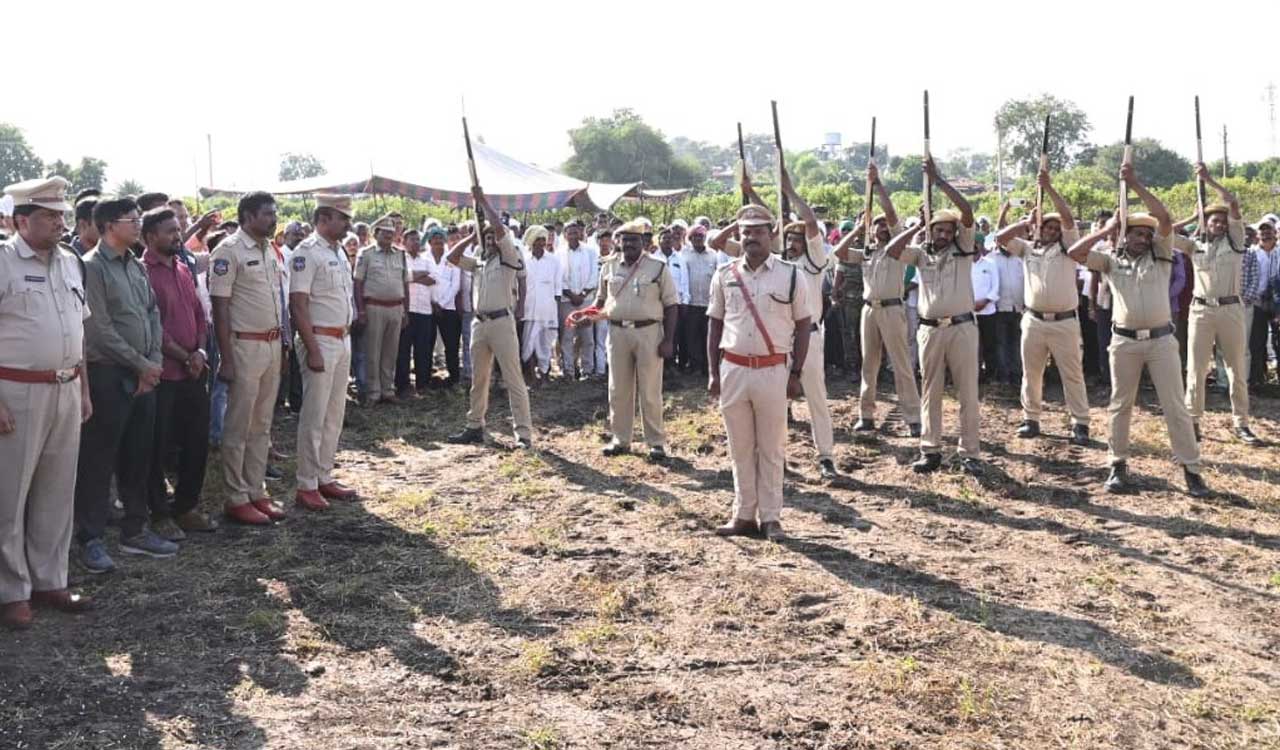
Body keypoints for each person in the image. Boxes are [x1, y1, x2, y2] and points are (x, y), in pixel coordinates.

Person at [1065, 162, 1208, 498]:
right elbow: (1074, 252)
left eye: (1147, 234)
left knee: (1175, 405)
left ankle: (1192, 469)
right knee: (1120, 404)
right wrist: (1108, 228)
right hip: (1123, 342)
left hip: (1161, 341)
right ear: (1124, 235)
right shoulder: (1110, 261)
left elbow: (1166, 219)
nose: (1145, 238)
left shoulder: (1161, 256)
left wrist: (1136, 184)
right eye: (1137, 233)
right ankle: (1117, 464)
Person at [0, 176, 93, 629]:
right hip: (16, 392)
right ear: (21, 220)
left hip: (66, 388)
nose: (60, 222)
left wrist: (85, 389)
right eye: (49, 215)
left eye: (62, 214)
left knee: (57, 490)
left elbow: (79, 331)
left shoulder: (71, 262)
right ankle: (11, 590)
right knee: (9, 495)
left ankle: (50, 578)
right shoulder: (2, 262)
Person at [74, 195, 176, 566]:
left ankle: (136, 530)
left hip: (144, 377)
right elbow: (98, 330)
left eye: (137, 218)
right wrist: (140, 364)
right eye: (130, 219)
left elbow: (152, 314)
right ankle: (91, 539)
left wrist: (154, 362)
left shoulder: (136, 265)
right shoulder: (91, 267)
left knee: (138, 456)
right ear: (107, 226)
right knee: (98, 461)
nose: (137, 224)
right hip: (109, 376)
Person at [708, 204, 810, 542]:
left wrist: (796, 373)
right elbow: (715, 324)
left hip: (772, 370)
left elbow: (804, 325)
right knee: (739, 447)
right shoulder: (724, 274)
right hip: (733, 368)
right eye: (746, 231)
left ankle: (771, 518)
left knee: (771, 447)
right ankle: (743, 515)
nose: (751, 237)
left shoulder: (791, 274)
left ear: (772, 234)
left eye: (758, 231)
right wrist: (713, 372)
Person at [883, 158, 982, 475]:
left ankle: (970, 453)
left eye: (947, 230)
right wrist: (916, 227)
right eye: (937, 229)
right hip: (929, 330)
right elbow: (891, 252)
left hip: (962, 327)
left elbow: (966, 211)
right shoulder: (920, 252)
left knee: (967, 391)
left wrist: (938, 181)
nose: (942, 234)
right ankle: (930, 449)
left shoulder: (964, 247)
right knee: (931, 391)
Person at [994, 168, 1090, 445]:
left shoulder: (1069, 248)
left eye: (1054, 228)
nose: (1051, 231)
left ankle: (1080, 422)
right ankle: (1031, 418)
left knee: (1072, 374)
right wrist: (1025, 222)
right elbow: (1000, 238)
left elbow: (1069, 219)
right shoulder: (1027, 248)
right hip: (1034, 321)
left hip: (1065, 321)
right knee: (1031, 373)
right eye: (1047, 227)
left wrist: (1048, 188)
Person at [209, 191, 288, 525]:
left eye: (274, 213)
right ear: (248, 215)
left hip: (271, 344)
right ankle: (235, 495)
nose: (273, 219)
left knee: (263, 422)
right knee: (239, 423)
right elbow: (220, 308)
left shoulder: (269, 249)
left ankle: (257, 489)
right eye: (268, 213)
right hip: (243, 346)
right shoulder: (228, 251)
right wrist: (226, 358)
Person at [140, 207, 216, 538]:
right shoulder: (142, 273)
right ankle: (159, 513)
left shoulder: (183, 268)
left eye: (178, 228)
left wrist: (198, 352)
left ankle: (186, 507)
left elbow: (200, 314)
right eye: (170, 230)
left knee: (196, 442)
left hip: (193, 370)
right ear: (149, 237)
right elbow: (152, 327)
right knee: (157, 447)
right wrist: (184, 356)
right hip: (164, 375)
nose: (177, 233)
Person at [833, 163, 920, 437]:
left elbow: (892, 214)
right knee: (868, 363)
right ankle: (866, 415)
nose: (881, 228)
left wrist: (877, 184)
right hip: (869, 310)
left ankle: (913, 416)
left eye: (884, 225)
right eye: (877, 225)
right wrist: (859, 228)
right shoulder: (867, 252)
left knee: (901, 363)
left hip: (893, 308)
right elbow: (839, 251)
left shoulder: (897, 249)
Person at [1175, 164, 1259, 446]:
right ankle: (1194, 420)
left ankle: (1241, 422)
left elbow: (1233, 203)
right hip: (1201, 310)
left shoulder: (1235, 241)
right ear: (1206, 223)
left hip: (1230, 309)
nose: (1220, 224)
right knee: (1196, 368)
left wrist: (1208, 180)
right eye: (1214, 221)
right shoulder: (1193, 245)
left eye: (1222, 221)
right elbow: (1164, 233)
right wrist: (1193, 216)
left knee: (1236, 366)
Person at [447, 187, 533, 448]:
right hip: (480, 323)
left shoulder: (509, 257)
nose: (491, 241)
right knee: (479, 378)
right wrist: (473, 235)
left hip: (502, 322)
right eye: (487, 238)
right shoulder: (480, 263)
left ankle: (523, 433)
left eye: (493, 237)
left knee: (512, 378)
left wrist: (483, 202)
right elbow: (453, 257)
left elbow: (500, 231)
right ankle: (475, 425)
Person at [288, 195, 359, 512]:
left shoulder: (338, 251)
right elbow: (298, 305)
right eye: (342, 218)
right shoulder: (306, 253)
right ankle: (306, 483)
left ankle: (324, 474)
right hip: (319, 339)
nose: (347, 223)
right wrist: (313, 349)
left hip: (341, 339)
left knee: (334, 414)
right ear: (325, 218)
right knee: (314, 415)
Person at [595, 219, 679, 461]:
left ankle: (655, 442)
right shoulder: (608, 267)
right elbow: (601, 302)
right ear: (618, 242)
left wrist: (668, 340)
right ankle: (620, 439)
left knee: (650, 390)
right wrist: (586, 316)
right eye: (625, 240)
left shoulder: (658, 268)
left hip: (649, 333)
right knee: (617, 389)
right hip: (617, 333)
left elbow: (672, 305)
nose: (629, 244)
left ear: (643, 242)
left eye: (634, 240)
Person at [355, 217, 409, 405]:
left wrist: (406, 311)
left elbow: (405, 283)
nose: (388, 235)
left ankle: (388, 389)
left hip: (396, 307)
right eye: (384, 232)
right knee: (372, 351)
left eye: (391, 232)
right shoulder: (366, 253)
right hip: (374, 307)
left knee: (390, 352)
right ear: (375, 233)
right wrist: (360, 310)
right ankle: (373, 392)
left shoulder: (400, 255)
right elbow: (358, 283)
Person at [422, 225, 463, 387]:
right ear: (430, 242)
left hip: (449, 308)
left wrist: (442, 303)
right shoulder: (423, 259)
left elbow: (456, 285)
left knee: (451, 345)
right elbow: (425, 283)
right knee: (427, 344)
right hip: (428, 307)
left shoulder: (452, 258)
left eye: (441, 240)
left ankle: (454, 378)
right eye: (435, 240)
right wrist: (433, 304)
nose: (438, 243)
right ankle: (425, 378)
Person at [557, 220, 598, 380]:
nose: (573, 235)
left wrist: (582, 295)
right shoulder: (559, 253)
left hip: (586, 300)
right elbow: (558, 278)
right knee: (567, 336)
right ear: (565, 235)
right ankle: (568, 371)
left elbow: (594, 276)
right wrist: (571, 295)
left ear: (580, 233)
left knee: (587, 336)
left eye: (576, 232)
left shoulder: (590, 252)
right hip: (566, 301)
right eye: (570, 232)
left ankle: (587, 370)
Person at [395, 229, 433, 397]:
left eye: (418, 239)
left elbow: (433, 279)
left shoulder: (426, 260)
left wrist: (410, 277)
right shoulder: (399, 259)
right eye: (412, 239)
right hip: (407, 310)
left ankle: (422, 383)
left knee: (423, 348)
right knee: (403, 349)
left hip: (424, 309)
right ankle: (403, 385)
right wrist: (414, 276)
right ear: (404, 242)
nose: (416, 242)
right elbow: (400, 278)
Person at [520, 225, 561, 382]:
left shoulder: (554, 261)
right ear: (531, 241)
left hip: (547, 310)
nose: (541, 243)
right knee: (528, 344)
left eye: (543, 239)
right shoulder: (523, 260)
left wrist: (553, 312)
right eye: (538, 239)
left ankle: (544, 375)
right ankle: (530, 375)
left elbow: (557, 290)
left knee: (545, 344)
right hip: (528, 310)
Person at [1245, 218, 1279, 386]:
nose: (1266, 234)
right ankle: (1258, 379)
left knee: (1278, 341)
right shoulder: (1251, 253)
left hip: (1277, 303)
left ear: (1275, 233)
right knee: (1256, 342)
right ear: (1257, 235)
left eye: (1269, 231)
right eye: (1262, 231)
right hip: (1256, 302)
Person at [681, 224, 717, 376]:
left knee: (708, 335)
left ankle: (707, 367)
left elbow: (717, 277)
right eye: (694, 237)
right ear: (690, 238)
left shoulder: (713, 255)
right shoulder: (684, 254)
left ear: (704, 238)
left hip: (709, 302)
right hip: (692, 303)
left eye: (700, 236)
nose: (698, 239)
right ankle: (695, 366)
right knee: (692, 336)